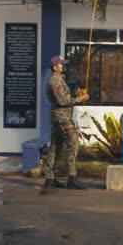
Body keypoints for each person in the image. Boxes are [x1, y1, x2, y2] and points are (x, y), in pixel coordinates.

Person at [44, 55, 89, 189]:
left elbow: (65, 97)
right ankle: (71, 178)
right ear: (55, 67)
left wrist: (76, 94)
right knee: (73, 143)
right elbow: (62, 101)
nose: (63, 66)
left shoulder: (60, 80)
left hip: (59, 117)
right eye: (61, 64)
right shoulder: (55, 81)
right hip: (62, 117)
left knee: (55, 147)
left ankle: (49, 179)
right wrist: (79, 100)